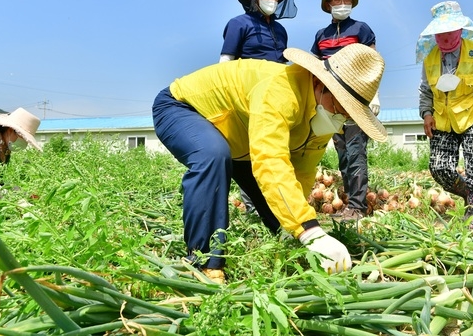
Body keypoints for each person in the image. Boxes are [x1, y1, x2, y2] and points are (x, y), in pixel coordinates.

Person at [152, 43, 388, 282]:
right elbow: (270, 159)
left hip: (239, 136)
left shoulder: (323, 113)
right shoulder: (280, 91)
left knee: (284, 215)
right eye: (342, 107)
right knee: (214, 154)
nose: (341, 119)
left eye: (349, 116)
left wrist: (297, 228)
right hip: (180, 107)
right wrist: (310, 231)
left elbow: (302, 172)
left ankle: (285, 243)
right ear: (321, 85)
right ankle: (203, 263)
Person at [416, 1, 473, 228]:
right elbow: (425, 90)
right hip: (443, 119)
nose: (446, 37)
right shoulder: (430, 58)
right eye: (440, 33)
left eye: (450, 31)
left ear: (460, 29)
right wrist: (426, 114)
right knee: (439, 168)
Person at [220, 0, 298, 213]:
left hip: (274, 96)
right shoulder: (238, 24)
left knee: (275, 149)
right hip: (246, 95)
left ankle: (277, 202)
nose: (272, 0)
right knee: (250, 149)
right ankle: (254, 205)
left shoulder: (281, 30)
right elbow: (225, 62)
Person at [311, 0, 380, 221]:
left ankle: (359, 207)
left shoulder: (361, 29)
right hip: (331, 104)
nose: (342, 4)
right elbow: (315, 68)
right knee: (342, 154)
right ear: (329, 4)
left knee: (356, 152)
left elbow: (374, 63)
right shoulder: (321, 35)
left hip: (355, 100)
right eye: (337, 0)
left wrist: (374, 95)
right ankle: (351, 202)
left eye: (346, 0)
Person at [220, 0, 297, 64]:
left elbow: (282, 63)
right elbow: (226, 60)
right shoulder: (238, 23)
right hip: (249, 78)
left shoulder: (280, 29)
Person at [0, 108, 42, 198]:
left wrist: (25, 194)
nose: (24, 142)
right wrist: (14, 199)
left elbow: (1, 180)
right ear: (10, 130)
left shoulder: (5, 149)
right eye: (22, 136)